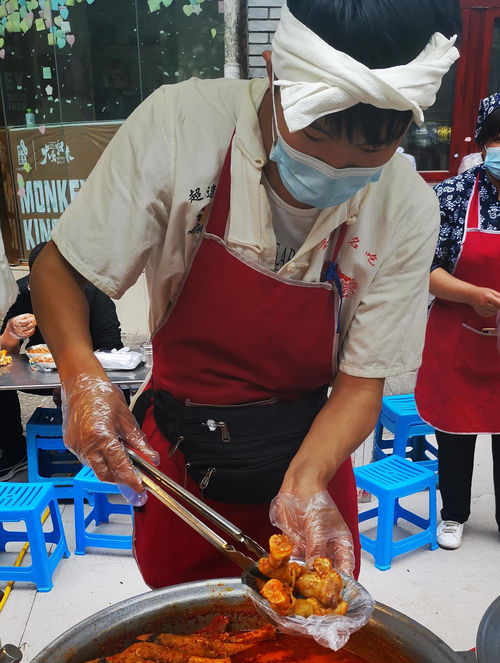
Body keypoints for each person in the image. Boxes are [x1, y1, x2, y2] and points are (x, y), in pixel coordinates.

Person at [30, 0, 460, 588]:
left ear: (407, 123)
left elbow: (362, 384)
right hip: (179, 461)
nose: (332, 170)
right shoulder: (183, 125)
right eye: (316, 133)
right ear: (274, 70)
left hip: (311, 454)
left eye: (367, 153)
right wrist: (82, 376)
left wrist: (307, 483)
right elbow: (61, 269)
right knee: (178, 649)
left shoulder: (407, 206)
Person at [415, 93, 500, 550]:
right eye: (499, 139)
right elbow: (426, 270)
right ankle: (454, 513)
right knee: (455, 429)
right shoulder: (449, 196)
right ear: (483, 143)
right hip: (458, 334)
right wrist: (472, 296)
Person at [0, 242, 124, 480]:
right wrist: (11, 334)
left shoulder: (96, 295)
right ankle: (12, 452)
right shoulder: (18, 295)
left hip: (88, 373)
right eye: (42, 285)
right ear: (32, 282)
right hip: (38, 374)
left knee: (116, 383)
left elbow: (111, 352)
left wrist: (71, 379)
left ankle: (109, 444)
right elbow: (5, 355)